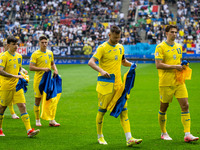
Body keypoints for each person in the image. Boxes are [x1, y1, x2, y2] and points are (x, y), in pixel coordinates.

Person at [88, 25, 142, 147]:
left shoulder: (120, 47)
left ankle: (129, 138)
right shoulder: (102, 48)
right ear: (109, 35)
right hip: (105, 86)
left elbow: (123, 61)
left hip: (118, 86)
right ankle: (100, 136)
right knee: (101, 112)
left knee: (124, 111)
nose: (117, 39)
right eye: (115, 37)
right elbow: (90, 62)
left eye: (119, 37)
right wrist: (101, 71)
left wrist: (132, 64)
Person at [155, 25, 199, 142]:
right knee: (164, 107)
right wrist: (175, 66)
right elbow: (158, 65)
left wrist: (183, 65)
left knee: (185, 105)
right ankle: (163, 132)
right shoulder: (160, 47)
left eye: (176, 32)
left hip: (179, 81)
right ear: (166, 33)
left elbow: (178, 61)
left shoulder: (179, 46)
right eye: (172, 32)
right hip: (165, 82)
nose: (174, 34)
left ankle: (187, 134)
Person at [0, 36, 40, 137]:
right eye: (13, 44)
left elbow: (18, 68)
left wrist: (22, 73)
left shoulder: (19, 56)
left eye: (17, 44)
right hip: (6, 86)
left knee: (22, 106)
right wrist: (14, 75)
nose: (16, 46)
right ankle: (0, 129)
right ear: (8, 45)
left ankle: (29, 131)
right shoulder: (4, 56)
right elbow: (0, 70)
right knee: (2, 108)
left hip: (17, 85)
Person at [29, 35, 60, 127]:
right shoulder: (35, 54)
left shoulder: (50, 53)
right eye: (42, 42)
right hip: (39, 81)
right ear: (39, 43)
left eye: (46, 42)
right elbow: (31, 67)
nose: (44, 44)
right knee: (38, 100)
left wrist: (55, 70)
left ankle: (51, 120)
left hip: (48, 81)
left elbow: (52, 63)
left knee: (50, 100)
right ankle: (37, 120)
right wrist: (43, 69)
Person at [1, 40, 28, 119]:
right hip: (3, 80)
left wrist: (22, 70)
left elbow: (16, 65)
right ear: (5, 46)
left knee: (20, 103)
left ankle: (13, 113)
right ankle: (12, 113)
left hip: (14, 82)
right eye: (5, 45)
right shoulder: (2, 56)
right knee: (4, 102)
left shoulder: (17, 56)